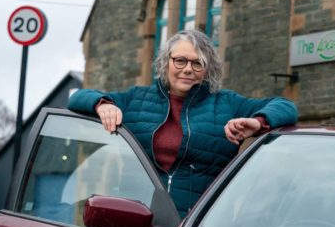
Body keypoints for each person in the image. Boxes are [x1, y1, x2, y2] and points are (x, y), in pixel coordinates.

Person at [68, 29, 298, 216]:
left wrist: (258, 123)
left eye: (197, 63)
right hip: (137, 222)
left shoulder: (227, 104)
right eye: (180, 61)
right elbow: (77, 97)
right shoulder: (136, 99)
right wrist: (102, 104)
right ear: (166, 63)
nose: (188, 69)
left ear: (207, 69)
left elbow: (286, 106)